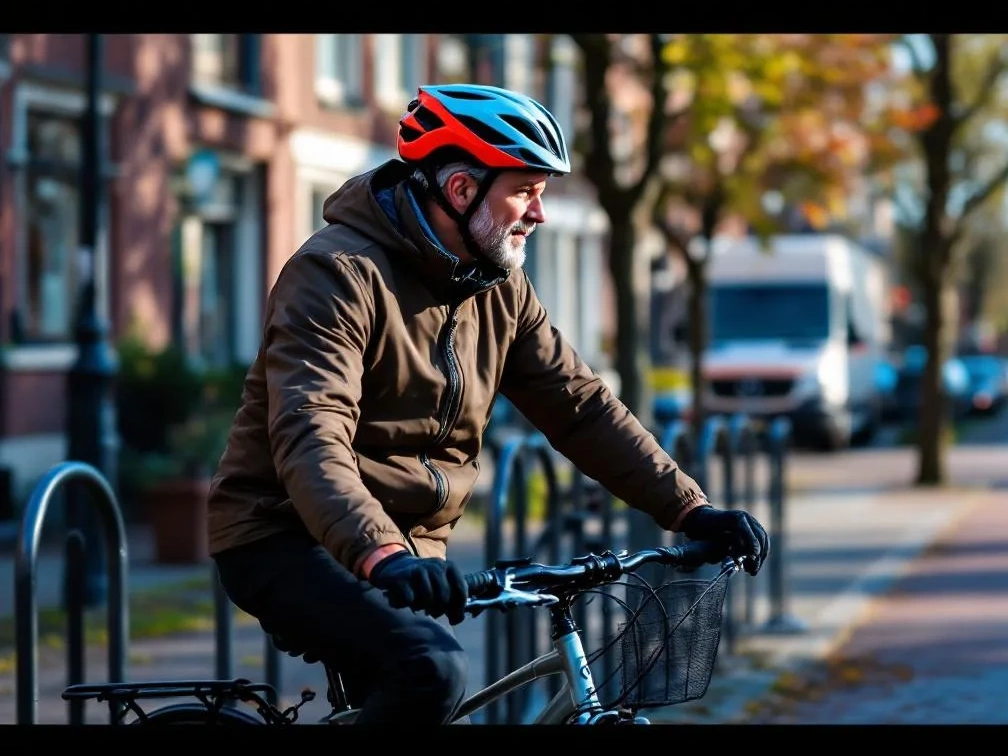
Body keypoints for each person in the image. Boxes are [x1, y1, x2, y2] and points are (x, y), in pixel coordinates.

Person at [205, 83, 769, 725]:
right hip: (285, 532)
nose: (539, 213)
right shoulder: (338, 274)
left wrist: (692, 509)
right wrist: (381, 552)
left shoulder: (498, 288)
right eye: (524, 190)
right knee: (431, 672)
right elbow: (311, 434)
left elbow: (577, 406)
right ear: (461, 188)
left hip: (411, 549)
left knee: (437, 703)